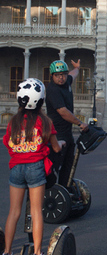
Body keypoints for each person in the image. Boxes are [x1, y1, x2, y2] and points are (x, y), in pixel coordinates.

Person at [3, 78, 65, 255]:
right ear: (41, 101)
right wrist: (61, 143)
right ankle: (37, 252)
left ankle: (7, 251)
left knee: (14, 212)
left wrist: (21, 150)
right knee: (37, 212)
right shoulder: (45, 122)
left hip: (16, 167)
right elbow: (55, 147)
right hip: (35, 167)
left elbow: (7, 143)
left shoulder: (13, 122)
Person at [46, 59, 88, 187]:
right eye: (57, 75)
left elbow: (73, 74)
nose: (61, 78)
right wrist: (80, 123)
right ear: (52, 76)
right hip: (56, 134)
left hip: (67, 133)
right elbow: (63, 111)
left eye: (63, 74)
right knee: (54, 167)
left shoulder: (67, 81)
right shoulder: (53, 89)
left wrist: (77, 68)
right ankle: (49, 194)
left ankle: (64, 191)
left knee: (68, 166)